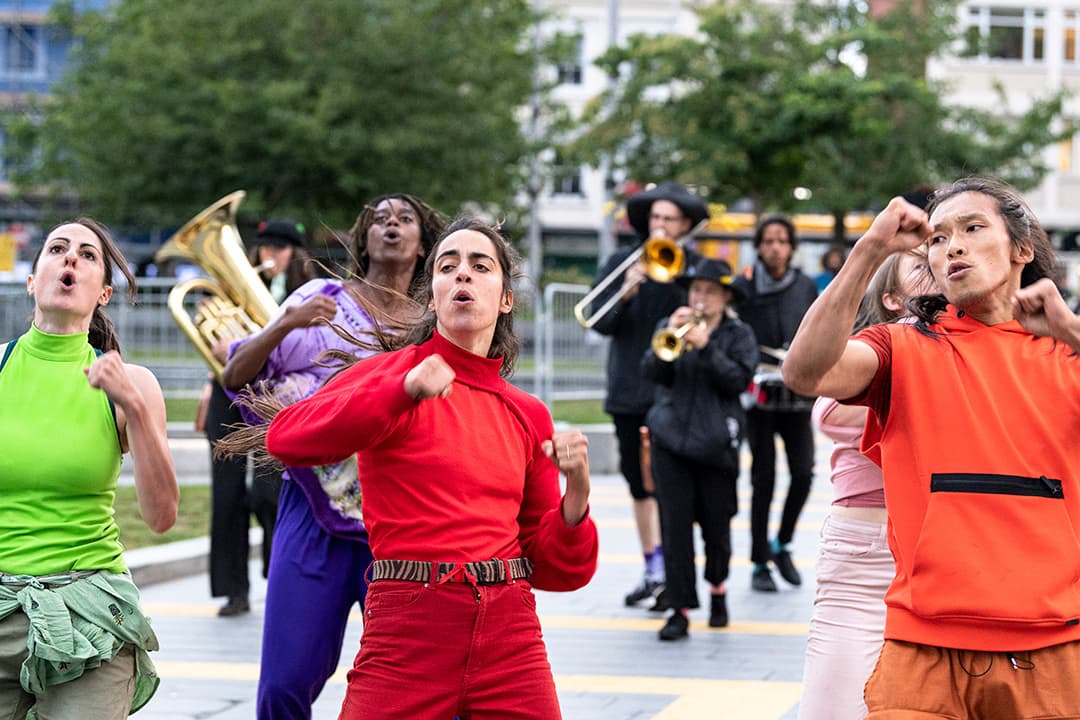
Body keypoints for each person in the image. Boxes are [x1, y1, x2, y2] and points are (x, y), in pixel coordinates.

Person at [264, 218, 599, 719]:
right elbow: (285, 438)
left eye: (480, 266)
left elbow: (553, 568)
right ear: (432, 296)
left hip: (510, 634)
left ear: (506, 299)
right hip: (408, 628)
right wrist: (400, 392)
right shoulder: (392, 376)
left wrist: (577, 497)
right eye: (448, 266)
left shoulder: (528, 413)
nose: (463, 274)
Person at [783, 176, 1080, 719]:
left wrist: (1073, 334)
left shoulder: (1066, 350)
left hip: (1054, 647)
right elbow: (805, 373)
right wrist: (869, 249)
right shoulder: (899, 346)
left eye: (972, 228)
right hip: (921, 648)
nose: (953, 247)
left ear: (1022, 249)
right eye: (938, 239)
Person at [220, 194, 444, 720]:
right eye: (380, 219)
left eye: (404, 219)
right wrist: (285, 324)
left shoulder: (435, 323)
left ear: (423, 243)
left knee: (421, 688)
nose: (391, 225)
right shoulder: (320, 300)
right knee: (283, 684)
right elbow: (235, 376)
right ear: (364, 238)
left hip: (402, 524)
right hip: (312, 512)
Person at [0, 218, 178, 718]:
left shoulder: (133, 383)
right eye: (57, 248)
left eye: (87, 254)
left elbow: (162, 516)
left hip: (89, 614)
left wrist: (135, 409)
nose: (71, 258)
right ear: (32, 279)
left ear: (103, 294)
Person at [797, 246, 936, 720]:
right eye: (921, 265)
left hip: (940, 553)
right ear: (892, 298)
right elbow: (829, 413)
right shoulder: (881, 346)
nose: (940, 263)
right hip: (867, 548)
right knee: (835, 706)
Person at [589, 180, 708, 610]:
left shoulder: (694, 267)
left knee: (673, 486)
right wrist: (626, 291)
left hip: (675, 391)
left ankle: (675, 571)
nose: (660, 225)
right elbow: (598, 322)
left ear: (684, 226)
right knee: (639, 485)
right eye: (655, 217)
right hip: (628, 389)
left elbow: (707, 320)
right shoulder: (622, 262)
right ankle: (652, 569)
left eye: (669, 219)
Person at [198, 218, 315, 618]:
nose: (270, 256)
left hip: (278, 395)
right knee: (226, 495)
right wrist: (218, 347)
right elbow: (213, 338)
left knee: (270, 492)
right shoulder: (236, 286)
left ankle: (278, 576)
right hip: (228, 393)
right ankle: (234, 590)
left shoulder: (307, 293)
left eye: (278, 249)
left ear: (294, 253)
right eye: (265, 248)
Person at [641, 257, 757, 641]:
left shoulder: (739, 335)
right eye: (695, 290)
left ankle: (718, 589)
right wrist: (667, 338)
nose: (700, 298)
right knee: (674, 529)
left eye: (709, 291)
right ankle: (679, 609)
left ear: (725, 297)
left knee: (716, 527)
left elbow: (738, 381)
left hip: (717, 445)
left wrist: (707, 348)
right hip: (670, 441)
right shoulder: (671, 325)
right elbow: (651, 373)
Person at [732, 214, 819, 593]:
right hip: (759, 398)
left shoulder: (804, 285)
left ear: (792, 247)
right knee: (763, 479)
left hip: (797, 394)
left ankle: (782, 543)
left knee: (803, 472)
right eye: (768, 241)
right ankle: (758, 562)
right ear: (758, 246)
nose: (775, 248)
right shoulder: (744, 285)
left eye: (782, 241)